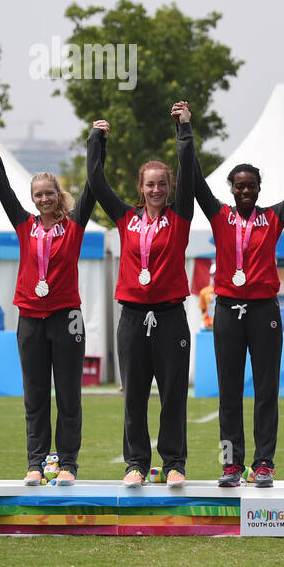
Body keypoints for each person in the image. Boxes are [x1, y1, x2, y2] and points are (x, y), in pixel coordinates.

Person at [191, 125, 284, 488]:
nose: (245, 191)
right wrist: (184, 131)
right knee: (229, 391)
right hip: (227, 310)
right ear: (231, 189)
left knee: (265, 390)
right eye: (239, 186)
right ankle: (231, 464)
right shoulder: (219, 215)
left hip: (264, 312)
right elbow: (195, 181)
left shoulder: (273, 218)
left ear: (259, 188)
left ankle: (263, 464)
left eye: (251, 185)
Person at [87, 103, 195, 488]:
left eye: (161, 184)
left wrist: (184, 130)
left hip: (169, 317)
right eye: (149, 184)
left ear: (169, 188)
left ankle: (173, 464)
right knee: (133, 395)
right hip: (132, 317)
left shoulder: (180, 216)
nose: (155, 190)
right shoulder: (125, 217)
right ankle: (135, 463)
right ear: (140, 187)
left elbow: (189, 174)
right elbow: (96, 182)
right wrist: (96, 141)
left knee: (172, 396)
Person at [0, 149, 97, 487]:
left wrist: (98, 141)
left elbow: (92, 187)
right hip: (30, 318)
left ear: (58, 194)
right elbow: (3, 190)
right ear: (33, 198)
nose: (44, 199)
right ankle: (36, 463)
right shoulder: (25, 225)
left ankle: (67, 463)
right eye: (38, 195)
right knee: (35, 394)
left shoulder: (74, 225)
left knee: (68, 394)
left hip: (67, 317)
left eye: (49, 193)